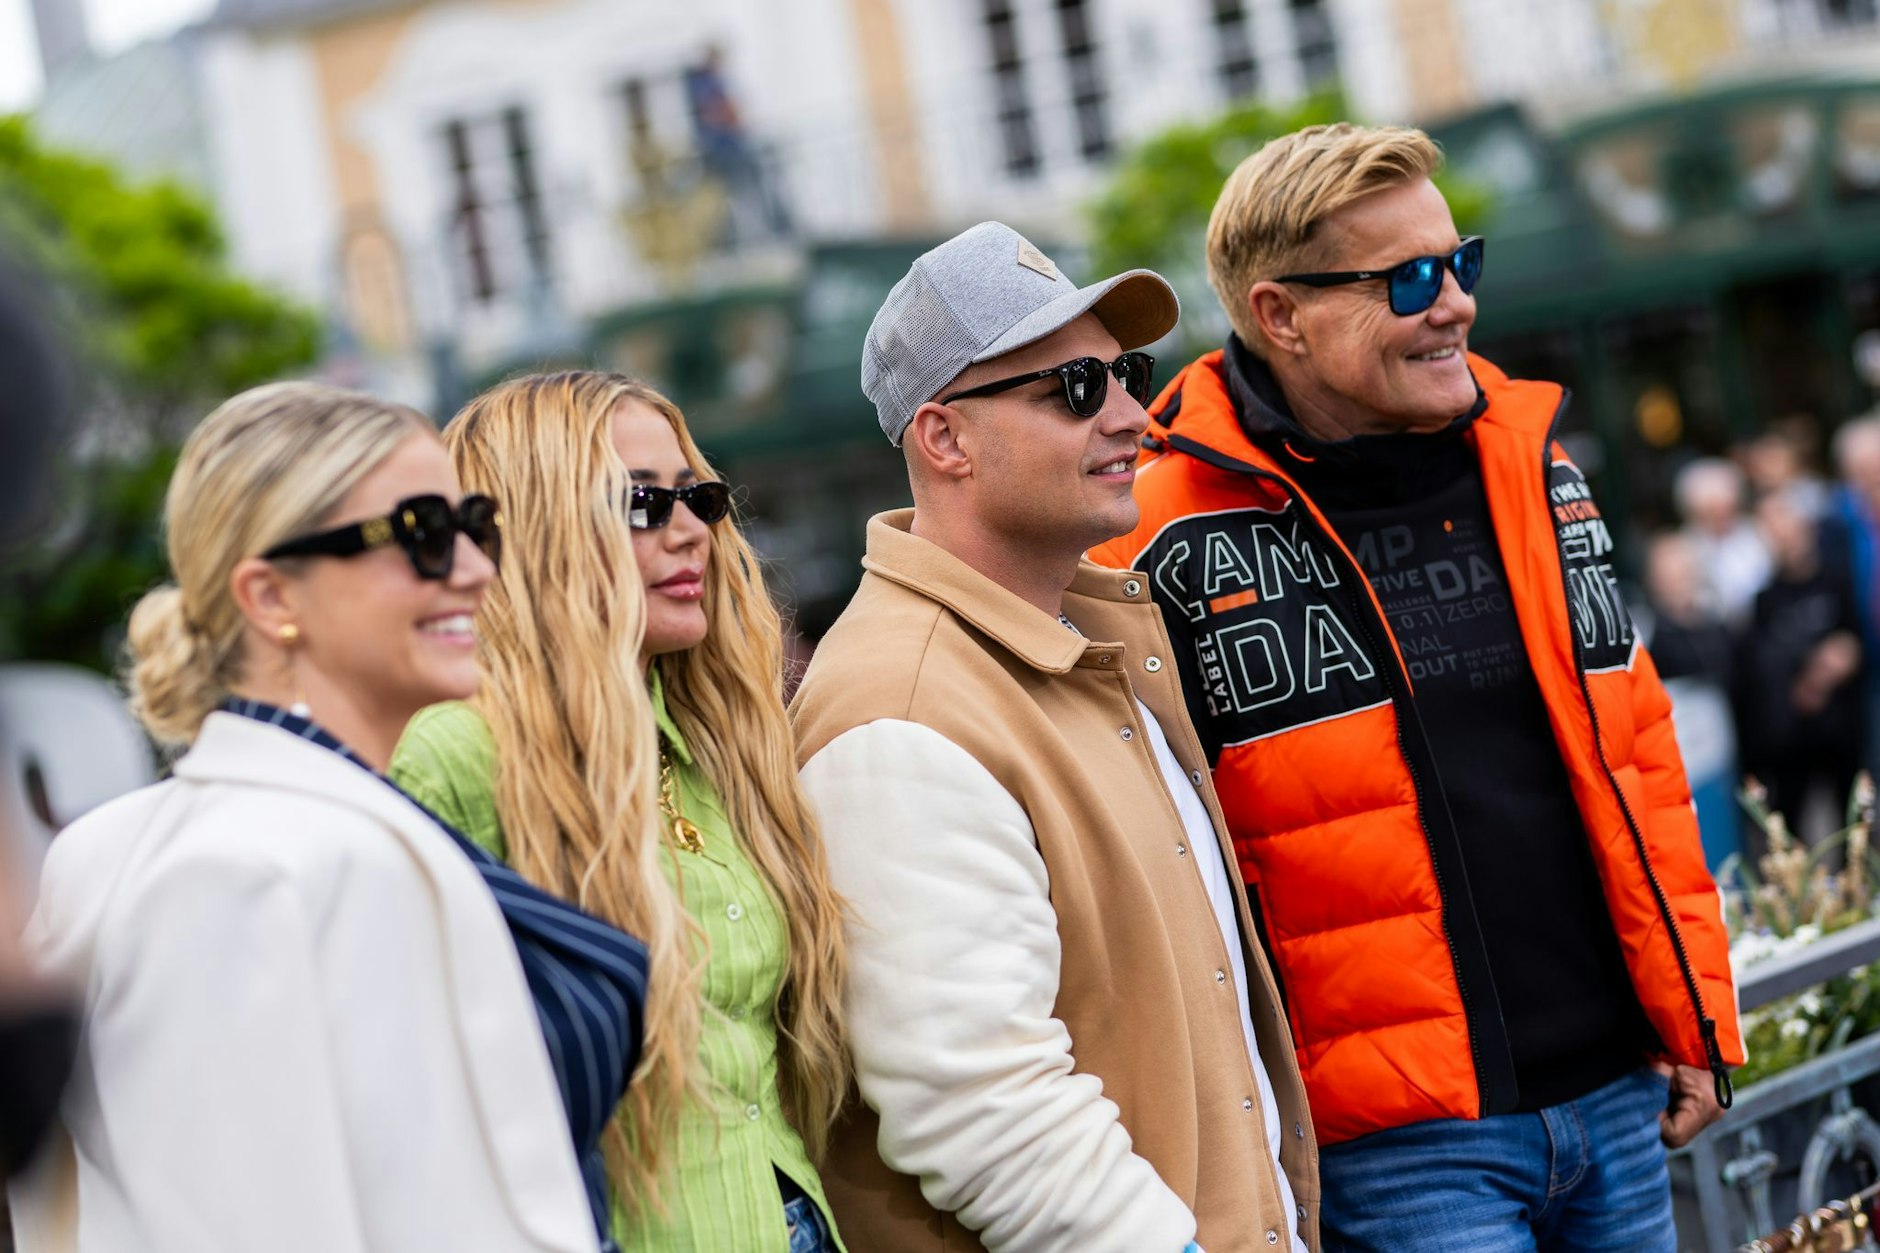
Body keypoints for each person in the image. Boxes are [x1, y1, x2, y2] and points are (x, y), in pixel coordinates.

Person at [1088, 124, 1743, 1251]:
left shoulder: (1534, 463)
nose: (1454, 304)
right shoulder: (1148, 531)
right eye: (1406, 279)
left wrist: (1692, 1009)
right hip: (1397, 1144)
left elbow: (1637, 749)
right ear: (1279, 314)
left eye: (1459, 262)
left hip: (1616, 1094)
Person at [10, 382, 644, 1253]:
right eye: (421, 532)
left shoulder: (280, 829)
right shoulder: (240, 865)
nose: (474, 567)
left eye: (475, 525)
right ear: (271, 597)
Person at [791, 221, 1316, 1253]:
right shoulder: (900, 711)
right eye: (1075, 388)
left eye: (1126, 374)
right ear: (944, 439)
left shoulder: (1074, 642)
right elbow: (984, 1106)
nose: (1129, 414)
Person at [389, 371, 849, 1253]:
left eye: (698, 498)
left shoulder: (722, 739)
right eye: (642, 503)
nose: (691, 531)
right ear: (535, 529)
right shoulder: (456, 754)